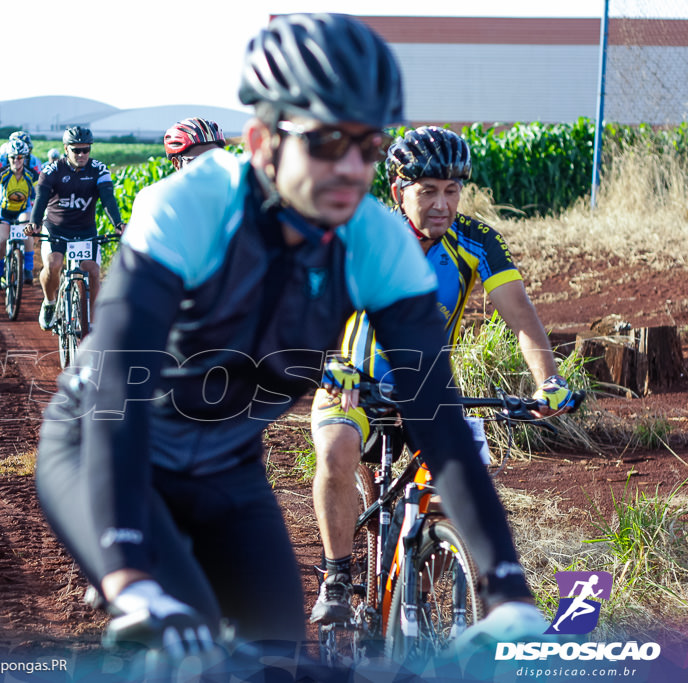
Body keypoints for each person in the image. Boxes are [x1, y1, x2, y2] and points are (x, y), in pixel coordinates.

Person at [34, 13, 559, 659]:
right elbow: (118, 387)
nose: (350, 169)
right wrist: (128, 573)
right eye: (326, 142)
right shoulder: (191, 208)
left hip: (226, 465)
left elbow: (436, 411)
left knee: (277, 656)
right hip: (105, 447)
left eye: (366, 147)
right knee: (182, 630)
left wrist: (507, 587)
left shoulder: (375, 241)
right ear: (261, 140)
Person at [308, 125, 577, 629]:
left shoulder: (476, 241)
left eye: (452, 190)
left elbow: (520, 316)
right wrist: (329, 362)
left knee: (461, 487)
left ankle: (419, 577)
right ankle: (337, 579)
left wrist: (549, 381)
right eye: (427, 190)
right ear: (397, 191)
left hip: (428, 392)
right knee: (336, 449)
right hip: (354, 385)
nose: (442, 203)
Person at [23, 126, 124, 330]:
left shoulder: (99, 170)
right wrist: (34, 223)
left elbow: (107, 199)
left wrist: (118, 224)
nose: (81, 154)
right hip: (56, 228)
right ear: (65, 149)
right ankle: (49, 303)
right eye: (76, 150)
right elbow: (41, 198)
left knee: (94, 271)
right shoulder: (52, 170)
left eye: (86, 150)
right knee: (53, 265)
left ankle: (93, 324)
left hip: (85, 231)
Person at [0, 138, 38, 291]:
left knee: (27, 229)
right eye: (13, 157)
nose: (16, 160)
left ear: (25, 158)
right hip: (2, 211)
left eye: (20, 157)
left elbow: (40, 195)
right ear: (8, 158)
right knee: (1, 239)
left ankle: (28, 269)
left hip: (22, 209)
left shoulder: (31, 174)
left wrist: (40, 215)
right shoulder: (1, 173)